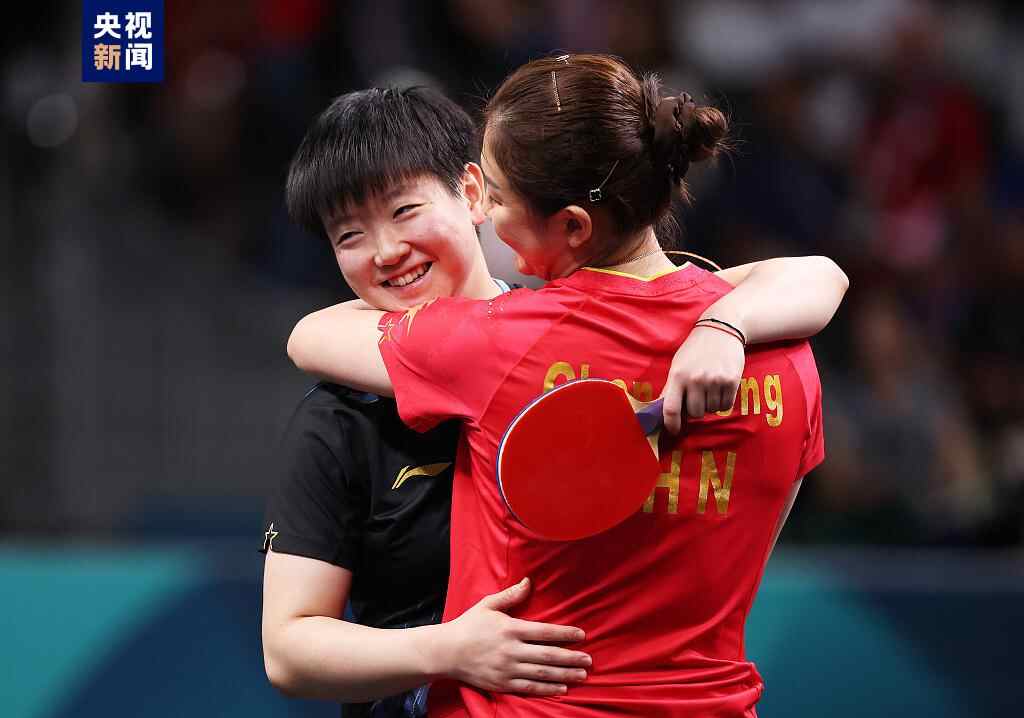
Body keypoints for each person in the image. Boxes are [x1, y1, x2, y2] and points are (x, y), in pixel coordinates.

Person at [276, 67, 848, 718]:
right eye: (350, 234)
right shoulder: (787, 356)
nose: (487, 213)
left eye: (497, 195)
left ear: (572, 226)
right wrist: (723, 321)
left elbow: (310, 335)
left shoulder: (499, 344)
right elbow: (749, 557)